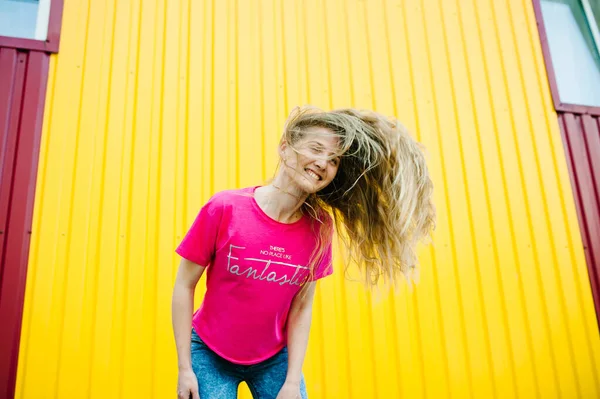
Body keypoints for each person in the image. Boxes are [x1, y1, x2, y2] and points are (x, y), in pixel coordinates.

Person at [171, 106, 435, 399]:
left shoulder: (319, 229)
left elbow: (301, 307)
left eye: (333, 160)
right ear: (285, 148)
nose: (323, 163)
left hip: (273, 359)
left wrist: (292, 382)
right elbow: (185, 285)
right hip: (210, 354)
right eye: (316, 149)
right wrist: (186, 369)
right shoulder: (225, 208)